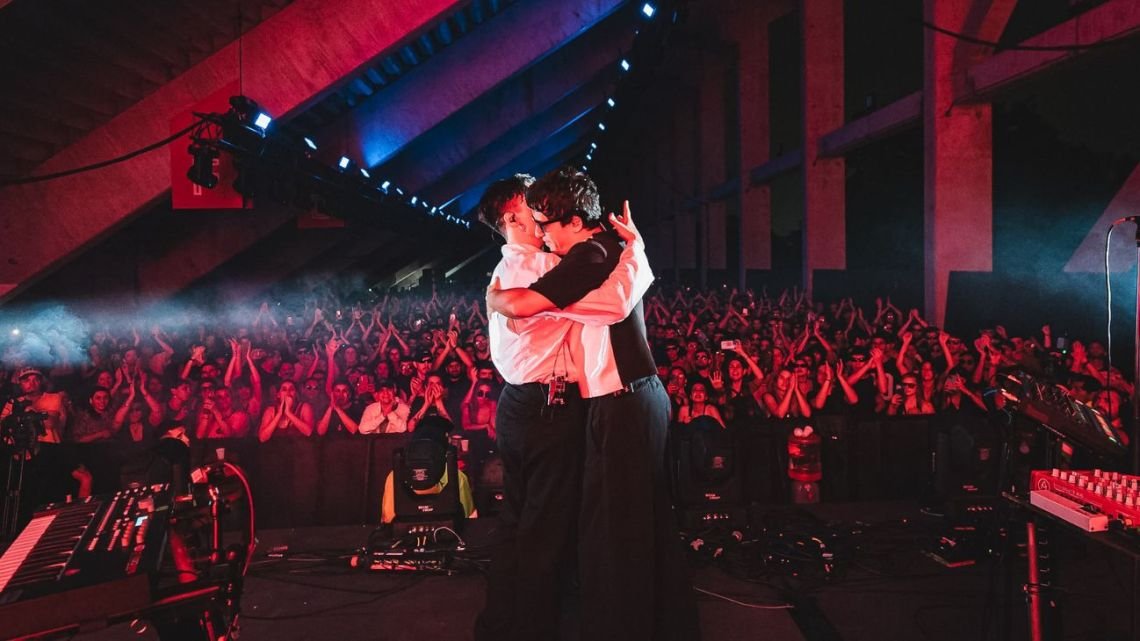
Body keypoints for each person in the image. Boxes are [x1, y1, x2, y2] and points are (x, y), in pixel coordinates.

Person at [486, 167, 698, 641]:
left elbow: (606, 305)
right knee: (623, 527)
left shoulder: (590, 253)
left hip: (624, 401)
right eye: (533, 220)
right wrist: (637, 253)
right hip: (619, 402)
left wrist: (501, 300)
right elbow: (613, 298)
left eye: (546, 222)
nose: (541, 232)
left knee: (616, 531)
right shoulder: (596, 251)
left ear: (576, 222)